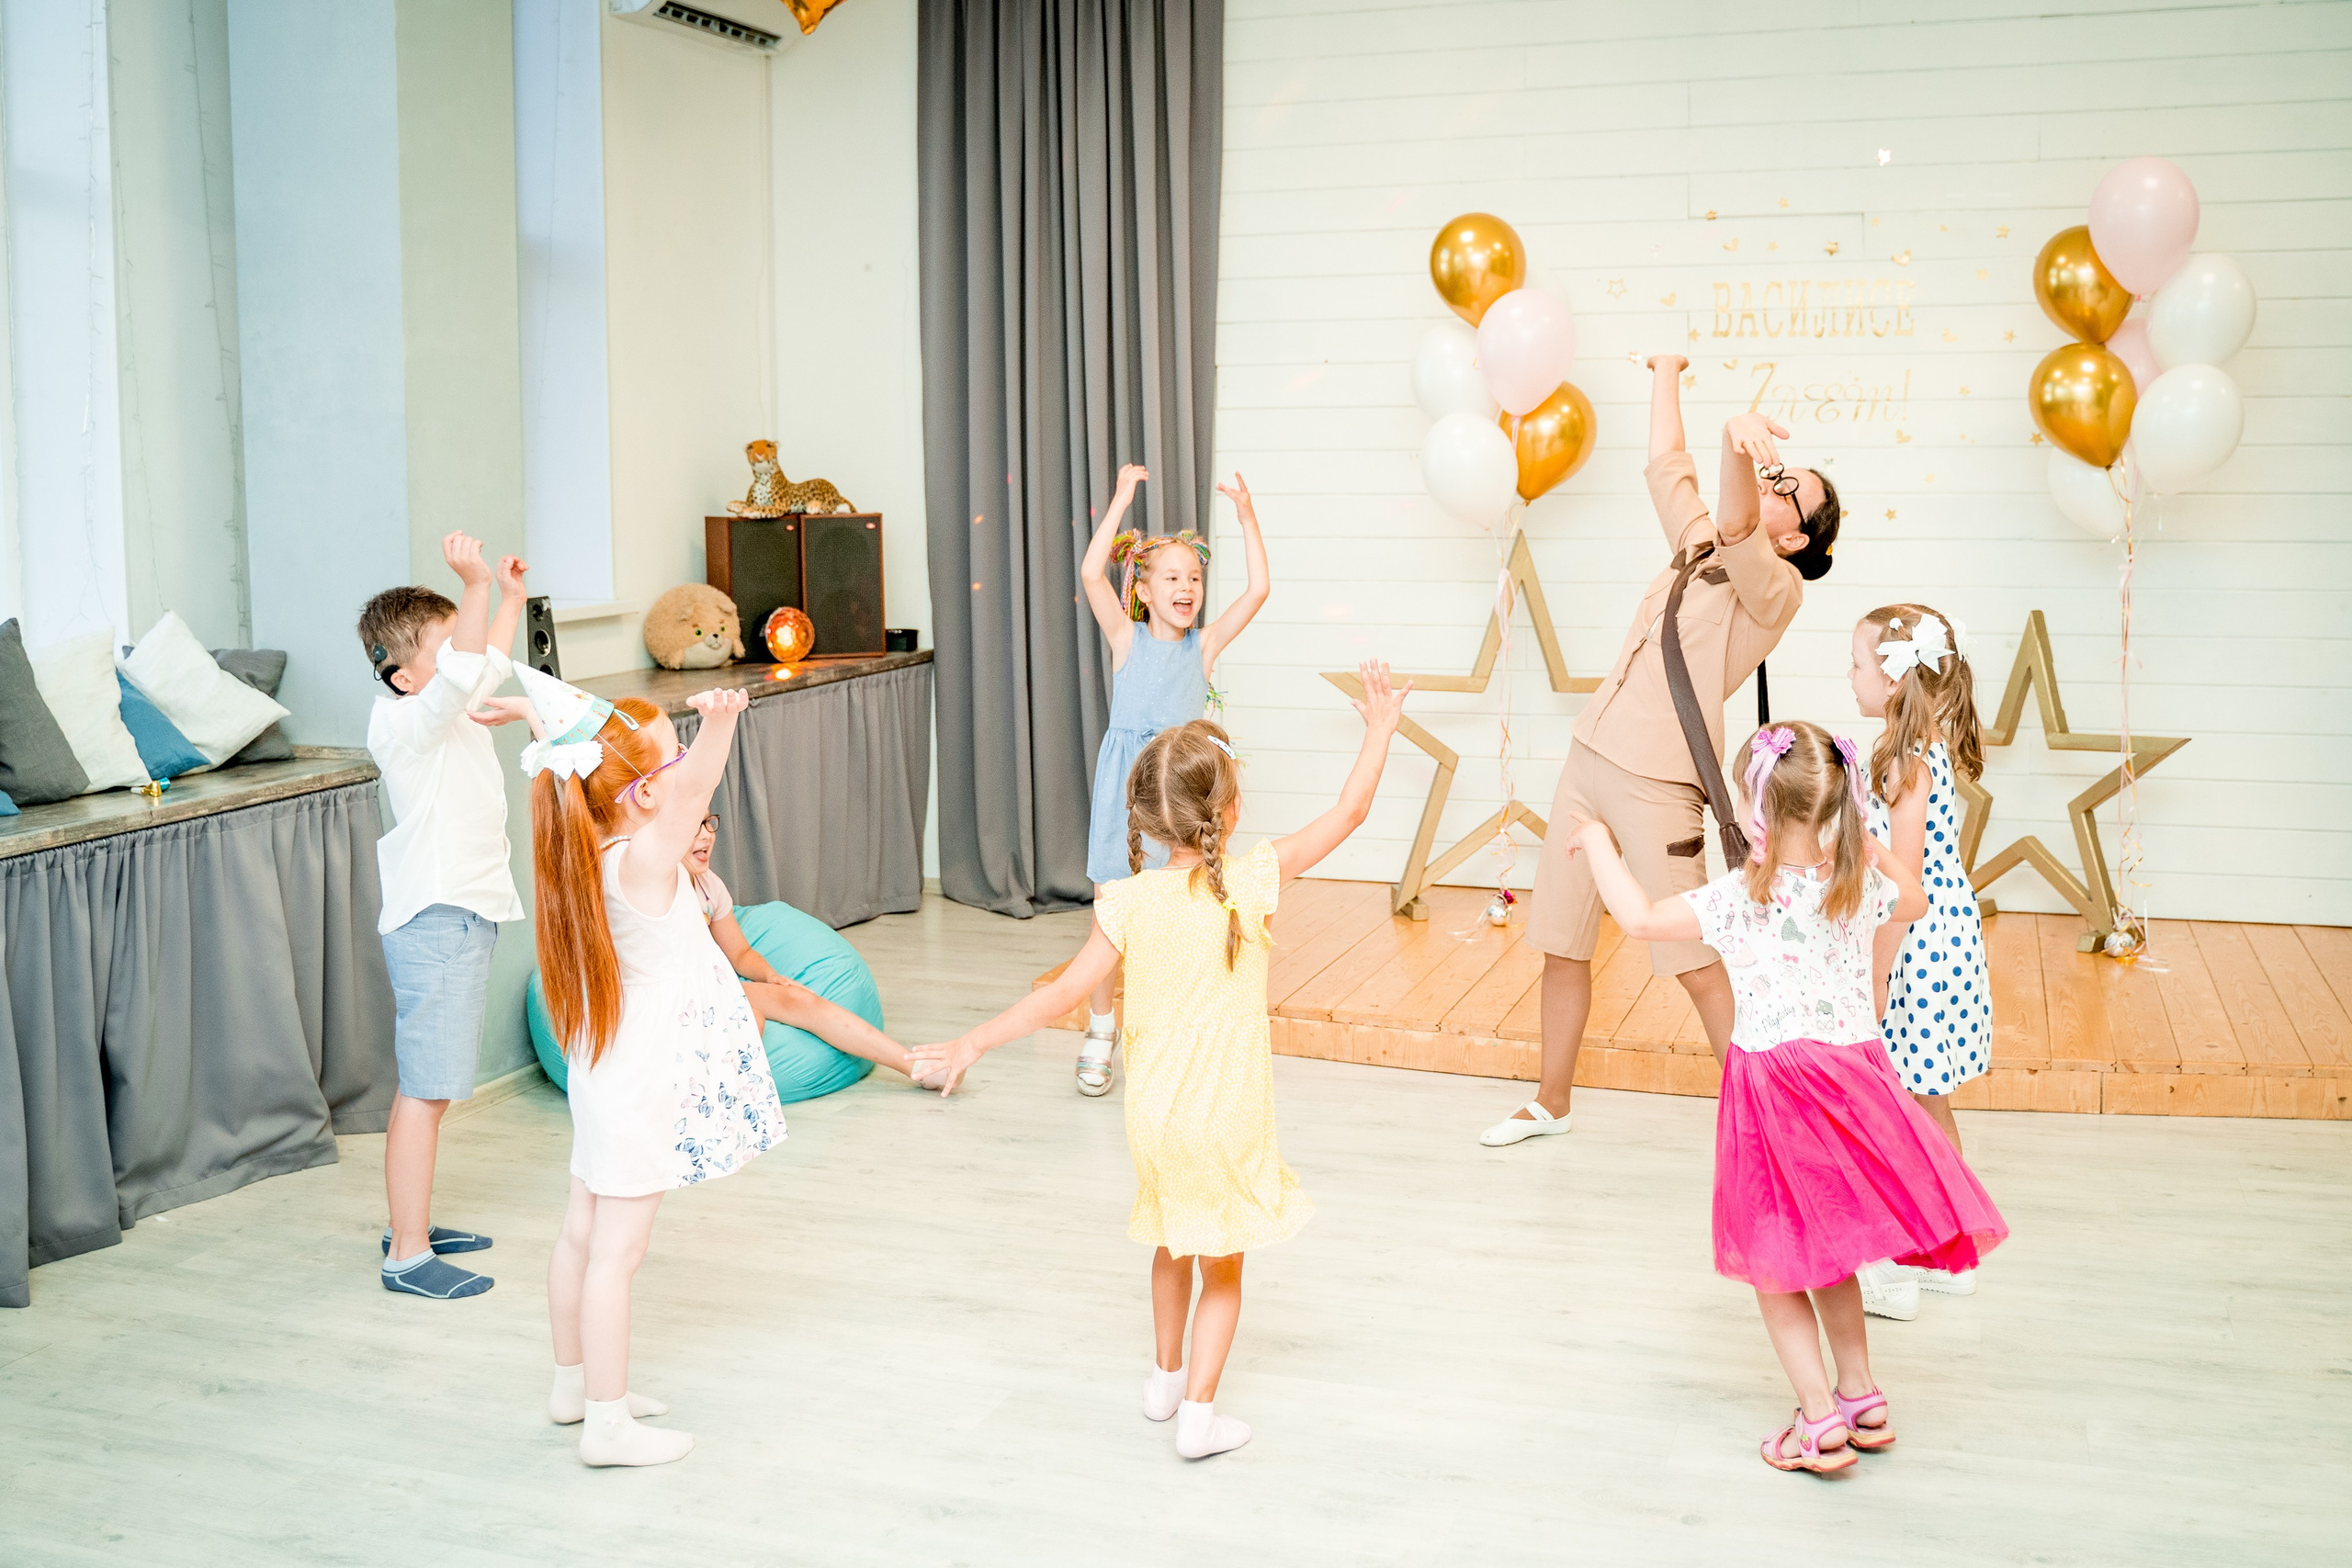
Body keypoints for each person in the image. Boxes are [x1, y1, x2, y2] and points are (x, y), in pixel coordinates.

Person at [912, 664, 1411, 1461]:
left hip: (1151, 1117)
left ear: (1144, 821)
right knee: (1224, 1266)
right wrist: (1380, 728)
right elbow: (1350, 811)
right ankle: (1200, 1419)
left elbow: (1060, 998)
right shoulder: (1251, 880)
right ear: (1231, 811)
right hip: (1225, 1114)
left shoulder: (1125, 899)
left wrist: (972, 1041)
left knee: (1170, 1240)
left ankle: (1163, 1379)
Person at [1564, 719, 2006, 1472]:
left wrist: (1598, 840)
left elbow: (1638, 918)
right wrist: (1861, 843)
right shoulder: (1860, 888)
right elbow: (1917, 897)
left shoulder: (1740, 897)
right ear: (1841, 804)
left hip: (1775, 1088)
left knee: (1776, 1265)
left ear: (1758, 812)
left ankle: (1818, 1423)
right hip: (1853, 1080)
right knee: (1829, 1243)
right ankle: (1861, 1393)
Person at [1487, 351, 1844, 1147]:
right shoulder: (1698, 546)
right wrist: (1664, 372)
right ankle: (1552, 1100)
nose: (1773, 485)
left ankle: (1762, 1120)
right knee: (1561, 940)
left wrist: (1738, 440)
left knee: (1687, 957)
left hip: (1661, 784)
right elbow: (1665, 466)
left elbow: (1737, 514)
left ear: (1798, 537)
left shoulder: (1776, 588)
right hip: (1591, 754)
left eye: (1792, 491)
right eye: (1780, 476)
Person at [523, 670, 782, 1468]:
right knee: (616, 1255)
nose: (679, 775)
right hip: (638, 1083)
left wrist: (527, 710)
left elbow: (592, 760)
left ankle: (576, 1384)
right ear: (637, 794)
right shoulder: (640, 861)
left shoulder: (587, 850)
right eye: (666, 764)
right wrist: (721, 721)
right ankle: (607, 1423)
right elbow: (694, 782)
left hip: (608, 1074)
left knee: (581, 1232)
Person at [356, 533, 531, 1300]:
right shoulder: (405, 723)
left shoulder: (442, 709)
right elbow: (465, 671)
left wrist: (510, 598)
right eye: (442, 647)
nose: (460, 655)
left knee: (426, 1086)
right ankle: (408, 1254)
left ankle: (410, 1222)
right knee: (425, 1091)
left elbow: (479, 665)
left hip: (459, 912)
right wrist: (474, 585)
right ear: (402, 676)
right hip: (437, 916)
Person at [1072, 463, 1270, 1097]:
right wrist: (1123, 496)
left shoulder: (1203, 647)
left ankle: (1169, 1032)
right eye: (1173, 578)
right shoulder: (1124, 638)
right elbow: (1087, 572)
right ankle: (1101, 1028)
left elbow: (1260, 589)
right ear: (1145, 589)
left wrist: (1245, 516)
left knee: (1182, 916)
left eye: (1195, 577)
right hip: (1125, 797)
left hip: (1180, 797)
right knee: (1110, 914)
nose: (1187, 587)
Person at [1850, 604, 1992, 1311]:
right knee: (1922, 1096)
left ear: (1892, 680)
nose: (1849, 675)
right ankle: (1951, 1247)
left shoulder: (1906, 762)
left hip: (1919, 946)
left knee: (1904, 1099)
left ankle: (1918, 1256)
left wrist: (1874, 976)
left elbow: (1903, 887)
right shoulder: (1918, 748)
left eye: (1856, 663)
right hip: (1942, 938)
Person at [683, 809, 933, 1090]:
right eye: (695, 825)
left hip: (710, 982)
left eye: (708, 823)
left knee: (797, 997)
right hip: (674, 993)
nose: (706, 834)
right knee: (752, 1017)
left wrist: (769, 976)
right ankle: (720, 1101)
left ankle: (914, 1065)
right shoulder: (653, 891)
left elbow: (739, 953)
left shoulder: (709, 886)